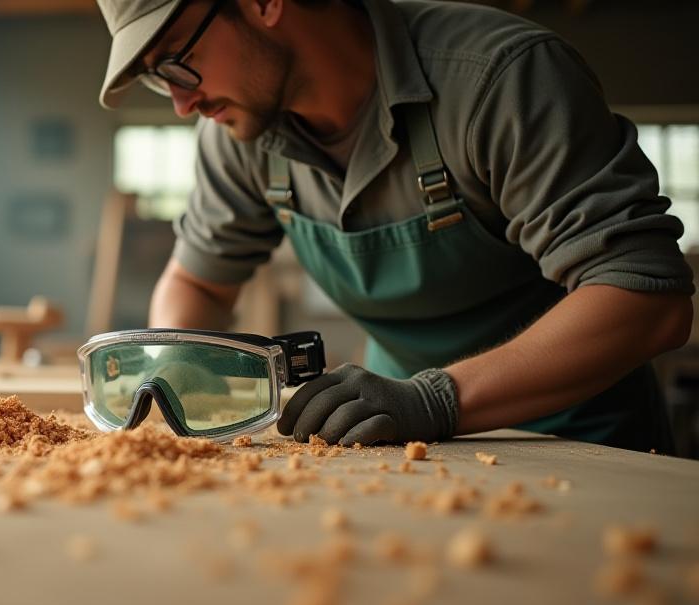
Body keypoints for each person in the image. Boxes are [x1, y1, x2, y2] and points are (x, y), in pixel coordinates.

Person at [94, 0, 695, 451]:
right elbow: (197, 282)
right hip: (397, 440)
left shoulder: (498, 79)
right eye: (157, 78)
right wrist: (174, 371)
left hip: (581, 443)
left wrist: (434, 399)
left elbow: (647, 300)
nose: (181, 103)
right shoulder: (239, 132)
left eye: (176, 62)